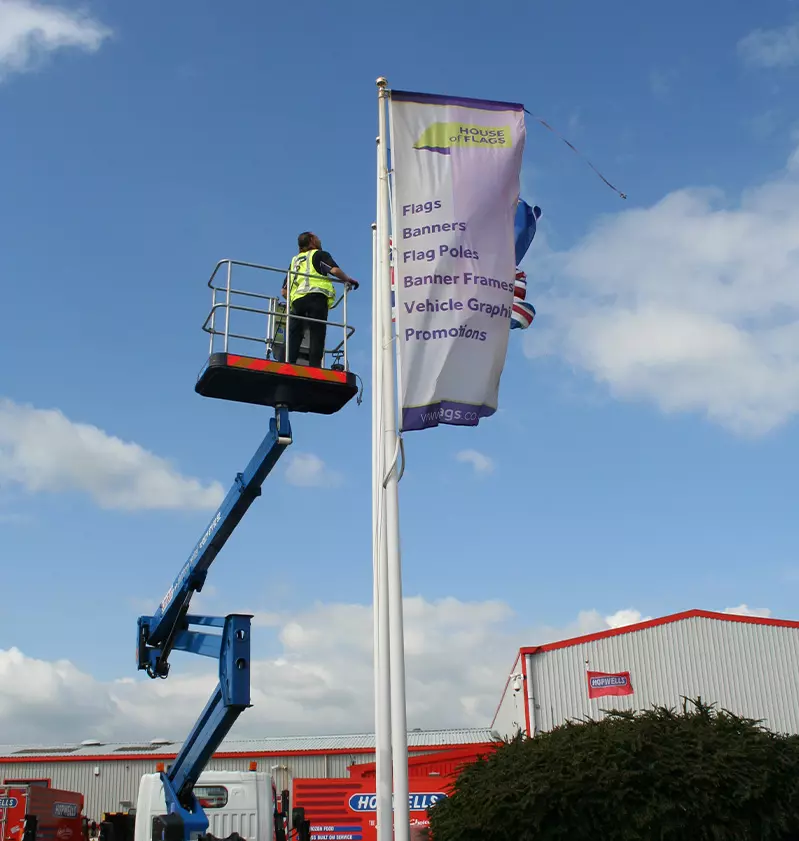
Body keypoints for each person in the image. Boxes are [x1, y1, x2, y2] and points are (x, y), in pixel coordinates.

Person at [284, 232, 358, 368]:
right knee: (317, 333)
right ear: (312, 240)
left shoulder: (295, 261)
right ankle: (314, 366)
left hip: (297, 301)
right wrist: (348, 279)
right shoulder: (318, 255)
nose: (319, 240)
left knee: (295, 333)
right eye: (317, 237)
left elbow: (284, 291)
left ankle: (289, 363)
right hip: (316, 298)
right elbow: (334, 271)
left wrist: (294, 299)